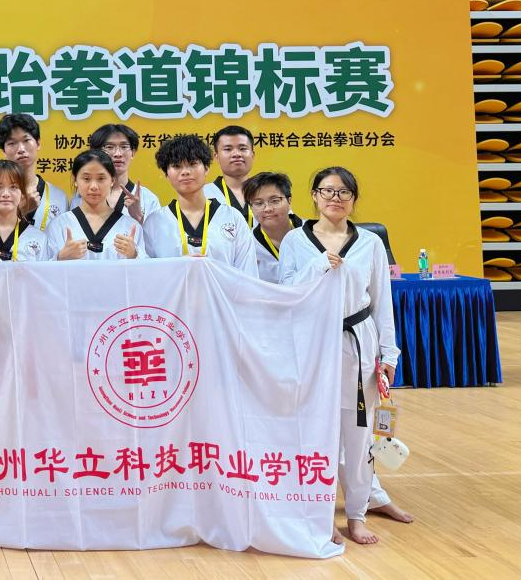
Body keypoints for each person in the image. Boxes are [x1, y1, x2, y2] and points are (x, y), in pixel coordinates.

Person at [279, 167, 401, 546]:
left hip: (358, 341)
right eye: (328, 191)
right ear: (314, 196)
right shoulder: (295, 241)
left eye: (344, 192)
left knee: (359, 435)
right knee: (317, 433)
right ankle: (320, 515)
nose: (335, 198)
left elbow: (381, 301)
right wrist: (319, 266)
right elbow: (285, 292)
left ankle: (357, 515)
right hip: (313, 343)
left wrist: (389, 354)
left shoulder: (370, 243)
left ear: (353, 199)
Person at [142, 135, 258, 275]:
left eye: (192, 164)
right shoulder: (155, 222)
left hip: (223, 291)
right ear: (166, 173)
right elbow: (148, 276)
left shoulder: (232, 217)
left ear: (206, 168)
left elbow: (248, 275)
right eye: (177, 166)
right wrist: (177, 267)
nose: (185, 172)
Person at [44, 150, 141, 261]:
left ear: (112, 180)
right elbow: (43, 269)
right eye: (86, 179)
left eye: (101, 179)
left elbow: (147, 268)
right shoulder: (59, 225)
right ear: (75, 180)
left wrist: (134, 255)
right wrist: (60, 257)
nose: (94, 186)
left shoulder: (130, 226)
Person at [0, 113, 69, 232]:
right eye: (12, 143)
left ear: (38, 143)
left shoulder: (59, 197)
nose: (21, 149)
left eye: (26, 140)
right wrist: (20, 211)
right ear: (4, 151)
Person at [88, 123, 161, 224]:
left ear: (133, 153)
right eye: (110, 147)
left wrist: (139, 218)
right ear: (96, 153)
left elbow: (157, 234)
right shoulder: (84, 196)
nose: (118, 154)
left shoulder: (148, 199)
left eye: (124, 147)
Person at [241, 170, 302, 283]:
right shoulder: (246, 245)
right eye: (259, 203)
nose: (268, 209)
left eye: (274, 201)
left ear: (289, 201)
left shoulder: (314, 233)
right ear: (251, 208)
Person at [202, 124, 256, 226]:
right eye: (228, 149)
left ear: (252, 154)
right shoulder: (203, 195)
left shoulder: (267, 192)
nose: (236, 154)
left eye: (242, 148)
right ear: (216, 156)